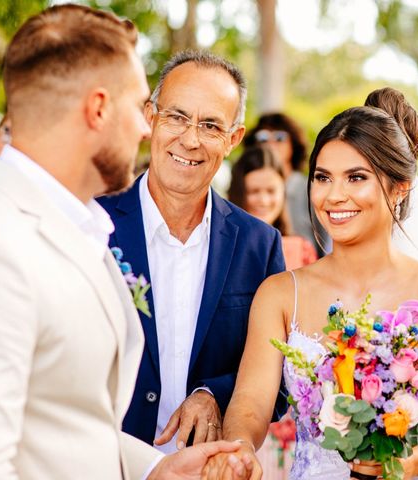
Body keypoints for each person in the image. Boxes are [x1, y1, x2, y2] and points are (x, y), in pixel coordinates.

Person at [0, 5, 252, 479]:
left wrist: (157, 468)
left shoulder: (79, 226)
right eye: (139, 108)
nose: (145, 128)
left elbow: (66, 420)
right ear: (97, 110)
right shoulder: (0, 242)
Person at [203, 96, 418, 480]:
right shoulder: (280, 293)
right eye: (322, 177)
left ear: (399, 187)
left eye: (356, 177)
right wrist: (239, 446)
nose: (334, 195)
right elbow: (252, 401)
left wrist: (416, 460)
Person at [98, 50, 287, 455]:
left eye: (210, 125)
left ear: (233, 139)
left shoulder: (259, 244)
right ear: (151, 116)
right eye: (177, 117)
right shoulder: (93, 222)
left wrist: (213, 394)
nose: (191, 139)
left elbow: (280, 374)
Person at [244, 112, 329, 255]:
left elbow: (327, 244)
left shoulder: (311, 189)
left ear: (293, 144)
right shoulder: (243, 185)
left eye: (279, 137)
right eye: (263, 137)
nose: (271, 143)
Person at [228, 145, 317, 270]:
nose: (263, 201)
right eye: (253, 191)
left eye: (271, 191)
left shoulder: (301, 250)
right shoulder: (221, 247)